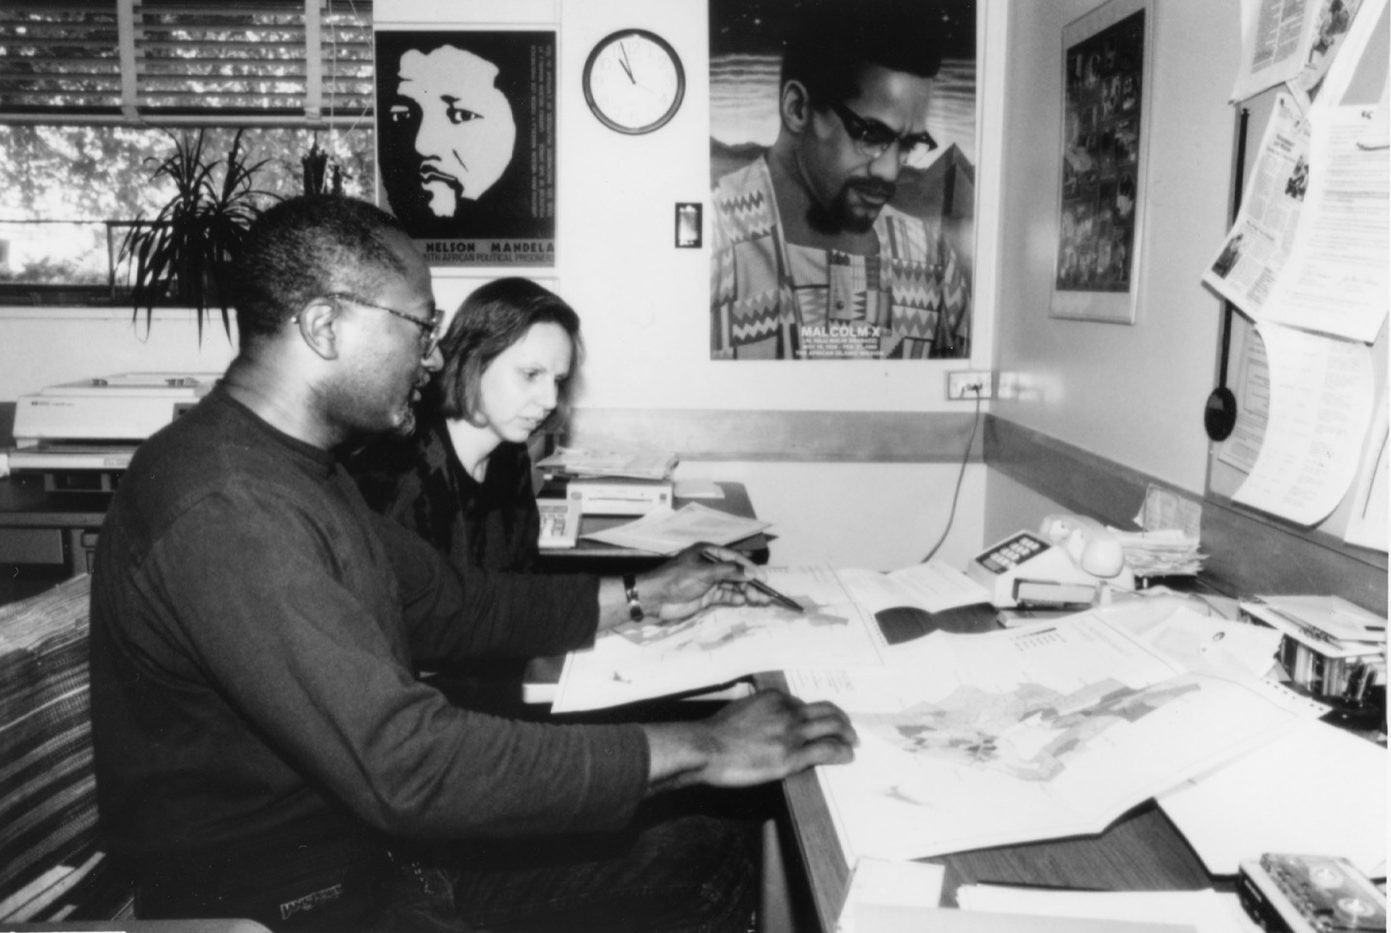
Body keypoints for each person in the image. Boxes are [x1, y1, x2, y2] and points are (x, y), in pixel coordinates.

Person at [88, 194, 858, 933]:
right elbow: (407, 762)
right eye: (418, 328)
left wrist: (640, 592)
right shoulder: (227, 504)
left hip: (367, 856)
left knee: (703, 844)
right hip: (293, 903)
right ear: (324, 324)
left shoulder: (301, 472)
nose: (430, 360)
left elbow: (457, 603)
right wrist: (704, 746)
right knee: (698, 834)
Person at [709, 0, 971, 360]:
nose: (890, 172)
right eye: (873, 135)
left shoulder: (931, 259)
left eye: (909, 144)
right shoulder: (714, 238)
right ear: (797, 108)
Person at [351, 276, 579, 576]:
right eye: (530, 374)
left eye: (558, 380)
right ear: (474, 359)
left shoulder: (510, 455)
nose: (550, 400)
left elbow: (523, 588)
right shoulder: (404, 475)